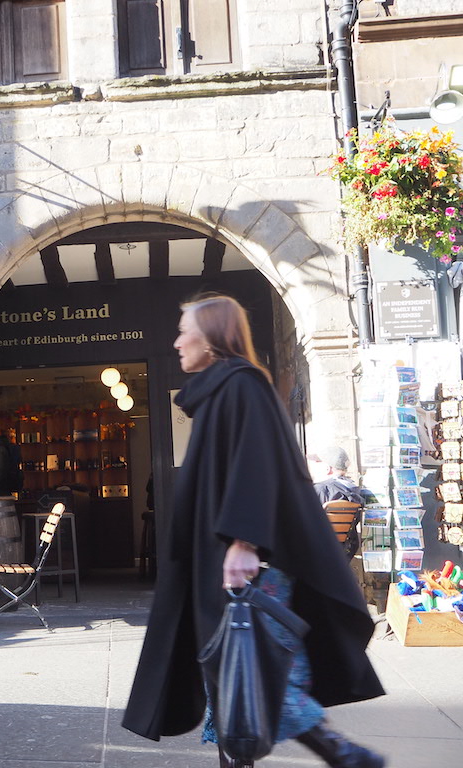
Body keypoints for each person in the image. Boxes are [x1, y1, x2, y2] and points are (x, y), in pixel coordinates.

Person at [122, 295, 385, 768]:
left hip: (241, 561)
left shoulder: (242, 386)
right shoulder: (222, 390)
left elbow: (256, 466)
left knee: (250, 665)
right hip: (218, 558)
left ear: (213, 336)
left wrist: (243, 544)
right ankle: (321, 754)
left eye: (186, 331)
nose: (177, 341)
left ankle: (343, 753)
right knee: (233, 667)